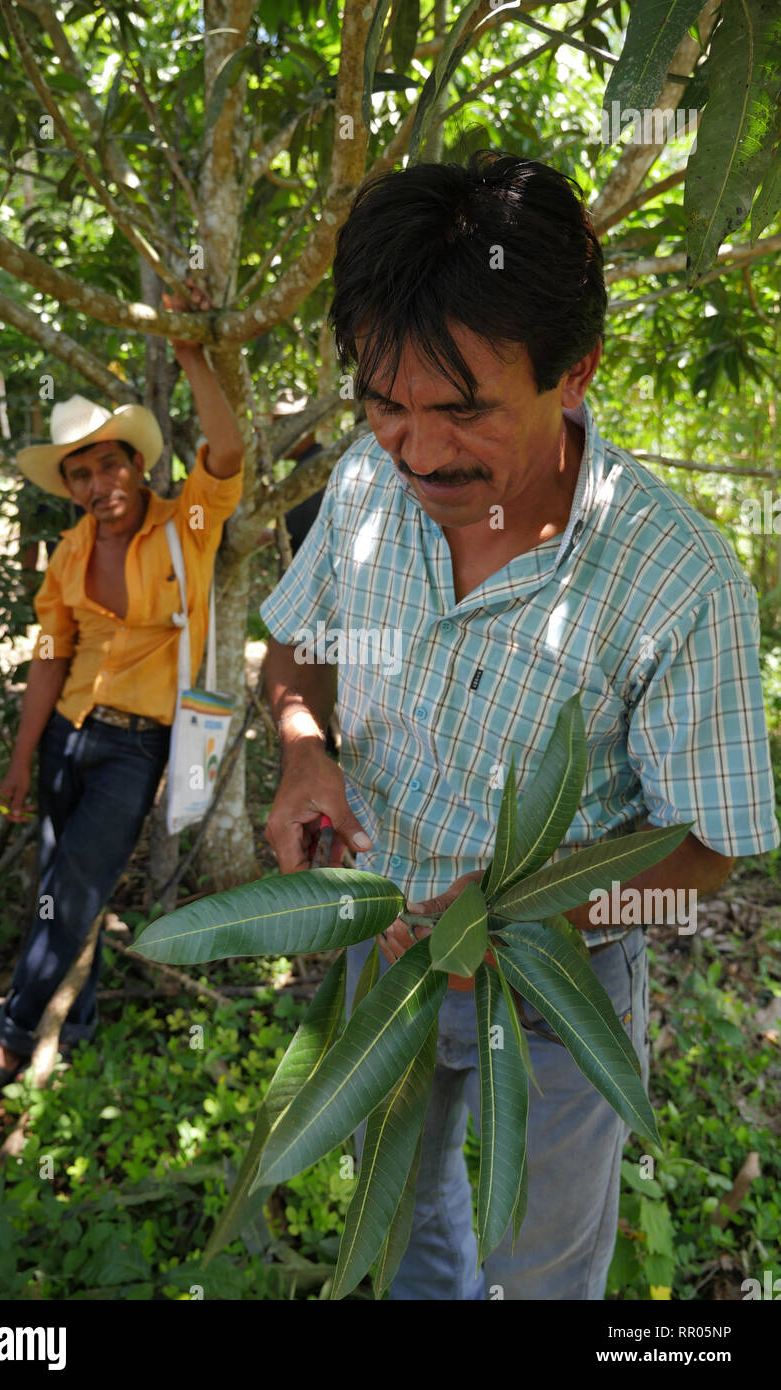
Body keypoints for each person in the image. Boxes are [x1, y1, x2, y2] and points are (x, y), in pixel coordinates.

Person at [259, 151, 779, 1299]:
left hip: (557, 993)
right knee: (400, 1214)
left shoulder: (674, 583)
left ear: (575, 372)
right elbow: (300, 646)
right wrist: (304, 748)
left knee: (542, 1261)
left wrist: (529, 916)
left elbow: (706, 849)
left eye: (462, 409)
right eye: (383, 405)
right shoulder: (361, 487)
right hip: (382, 951)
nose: (419, 451)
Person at [0, 285, 244, 1100]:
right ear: (69, 486)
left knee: (73, 887)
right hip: (64, 736)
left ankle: (7, 1046)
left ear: (136, 464)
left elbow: (227, 448)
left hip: (135, 745)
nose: (98, 480)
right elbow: (49, 653)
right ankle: (75, 1022)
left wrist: (191, 356)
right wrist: (19, 757)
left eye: (109, 461)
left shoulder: (184, 526)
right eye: (80, 472)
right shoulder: (71, 551)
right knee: (59, 889)